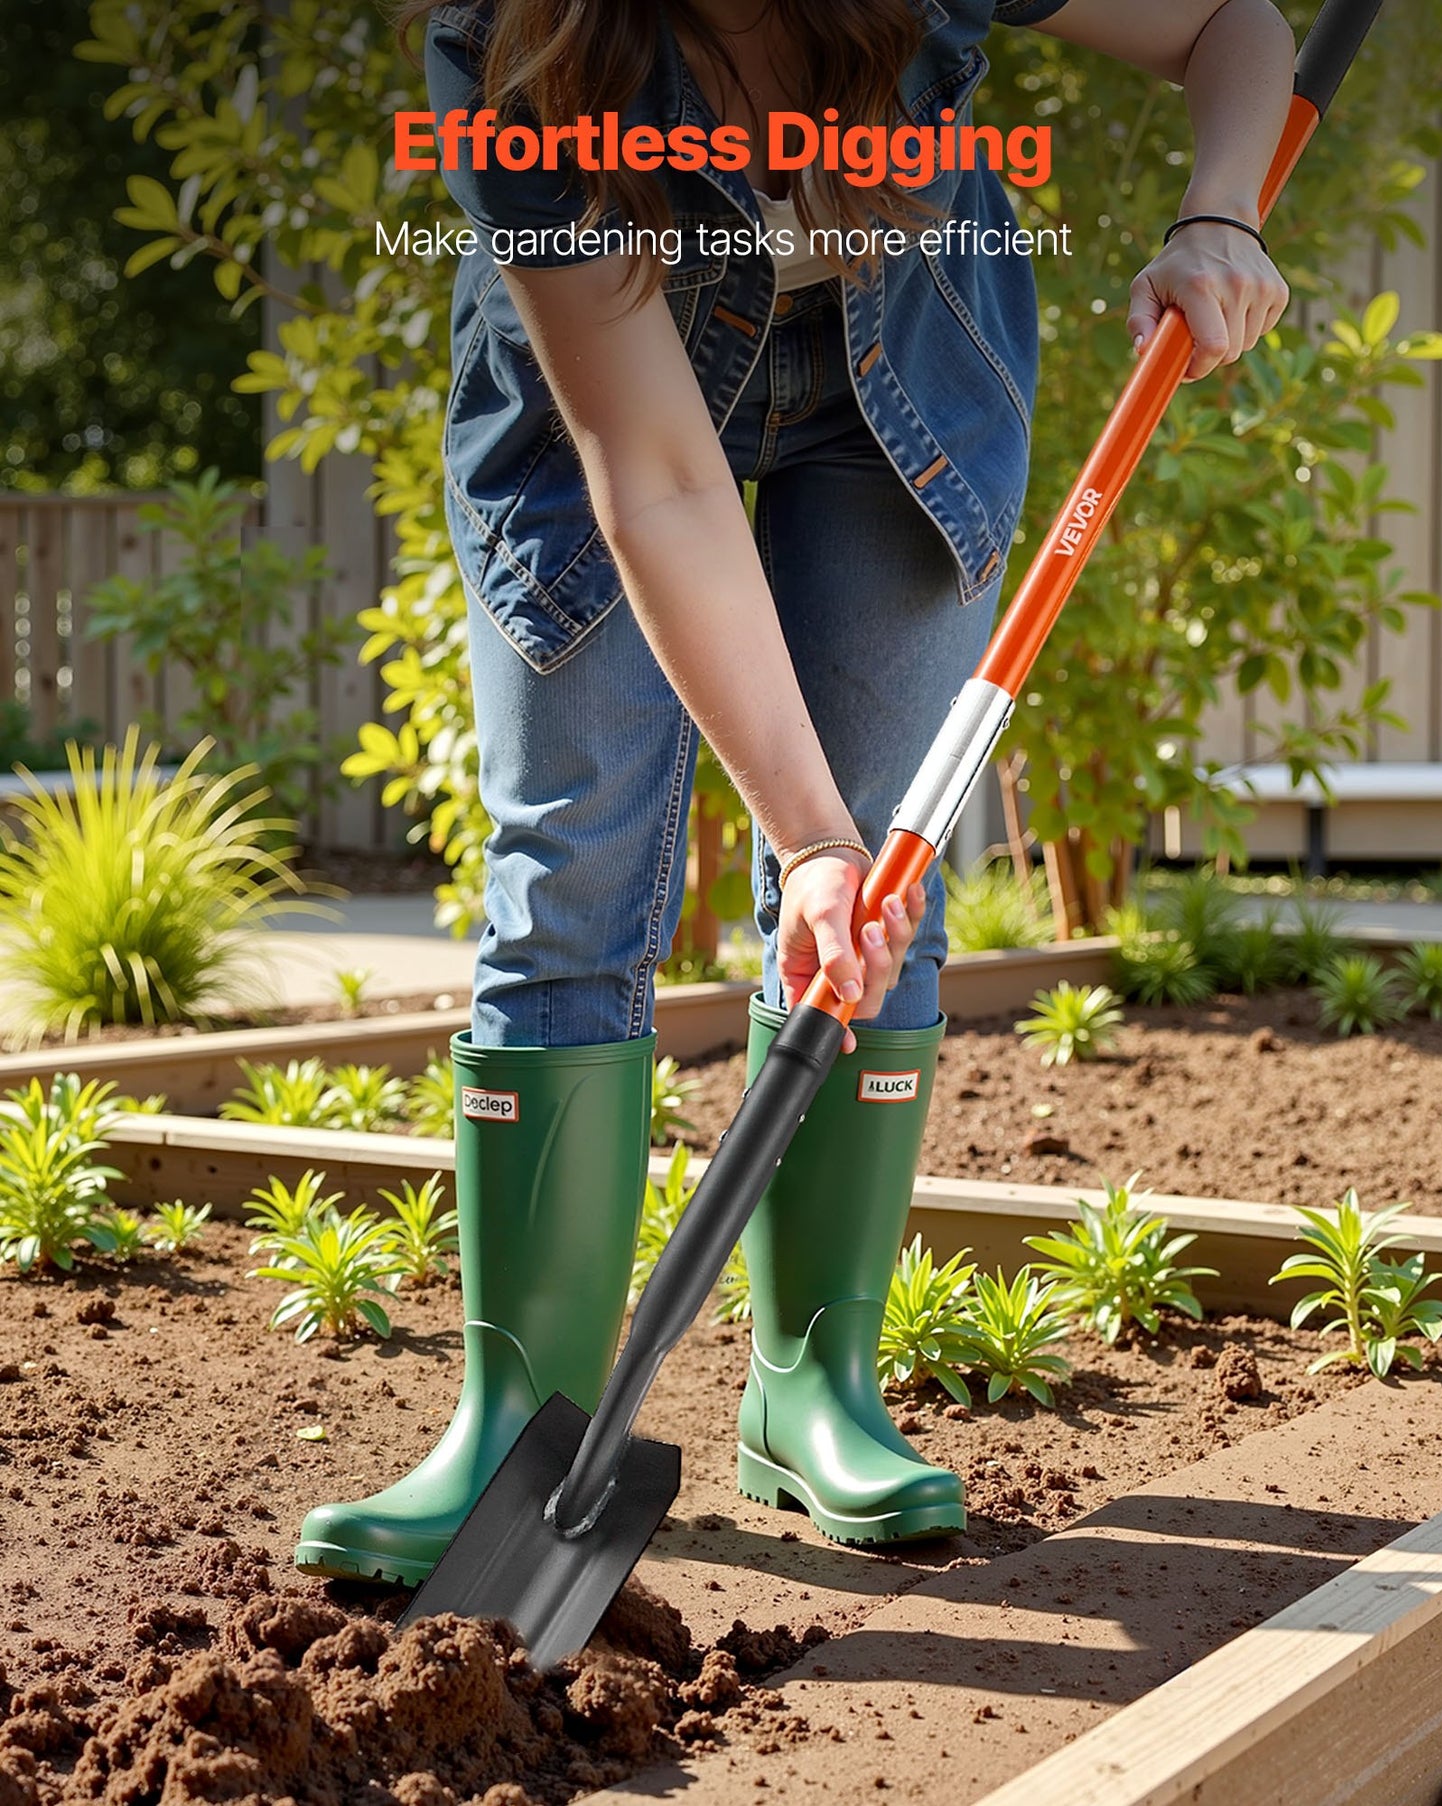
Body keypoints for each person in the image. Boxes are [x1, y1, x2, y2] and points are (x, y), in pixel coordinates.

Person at [296, 0, 1293, 1581]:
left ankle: (811, 1384)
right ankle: (519, 1412)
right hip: (600, 411)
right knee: (571, 859)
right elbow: (659, 476)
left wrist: (1218, 208)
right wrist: (803, 829)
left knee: (882, 886)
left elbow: (1236, 23)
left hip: (901, 365)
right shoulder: (516, 38)